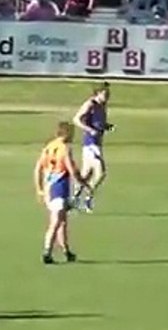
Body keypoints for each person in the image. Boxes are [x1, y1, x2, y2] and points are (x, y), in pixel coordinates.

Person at [34, 121, 86, 264]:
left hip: (48, 188)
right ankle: (47, 251)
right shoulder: (64, 149)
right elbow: (71, 169)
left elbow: (38, 168)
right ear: (67, 133)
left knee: (62, 221)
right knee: (56, 222)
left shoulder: (49, 147)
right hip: (59, 189)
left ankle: (66, 251)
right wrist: (83, 182)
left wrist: (39, 189)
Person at [71, 83, 113, 212]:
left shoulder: (102, 106)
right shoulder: (90, 104)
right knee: (100, 173)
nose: (107, 97)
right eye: (105, 95)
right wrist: (90, 130)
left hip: (97, 144)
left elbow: (98, 122)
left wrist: (106, 126)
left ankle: (74, 199)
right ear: (97, 93)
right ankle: (88, 197)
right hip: (90, 144)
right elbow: (76, 119)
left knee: (85, 175)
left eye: (108, 95)